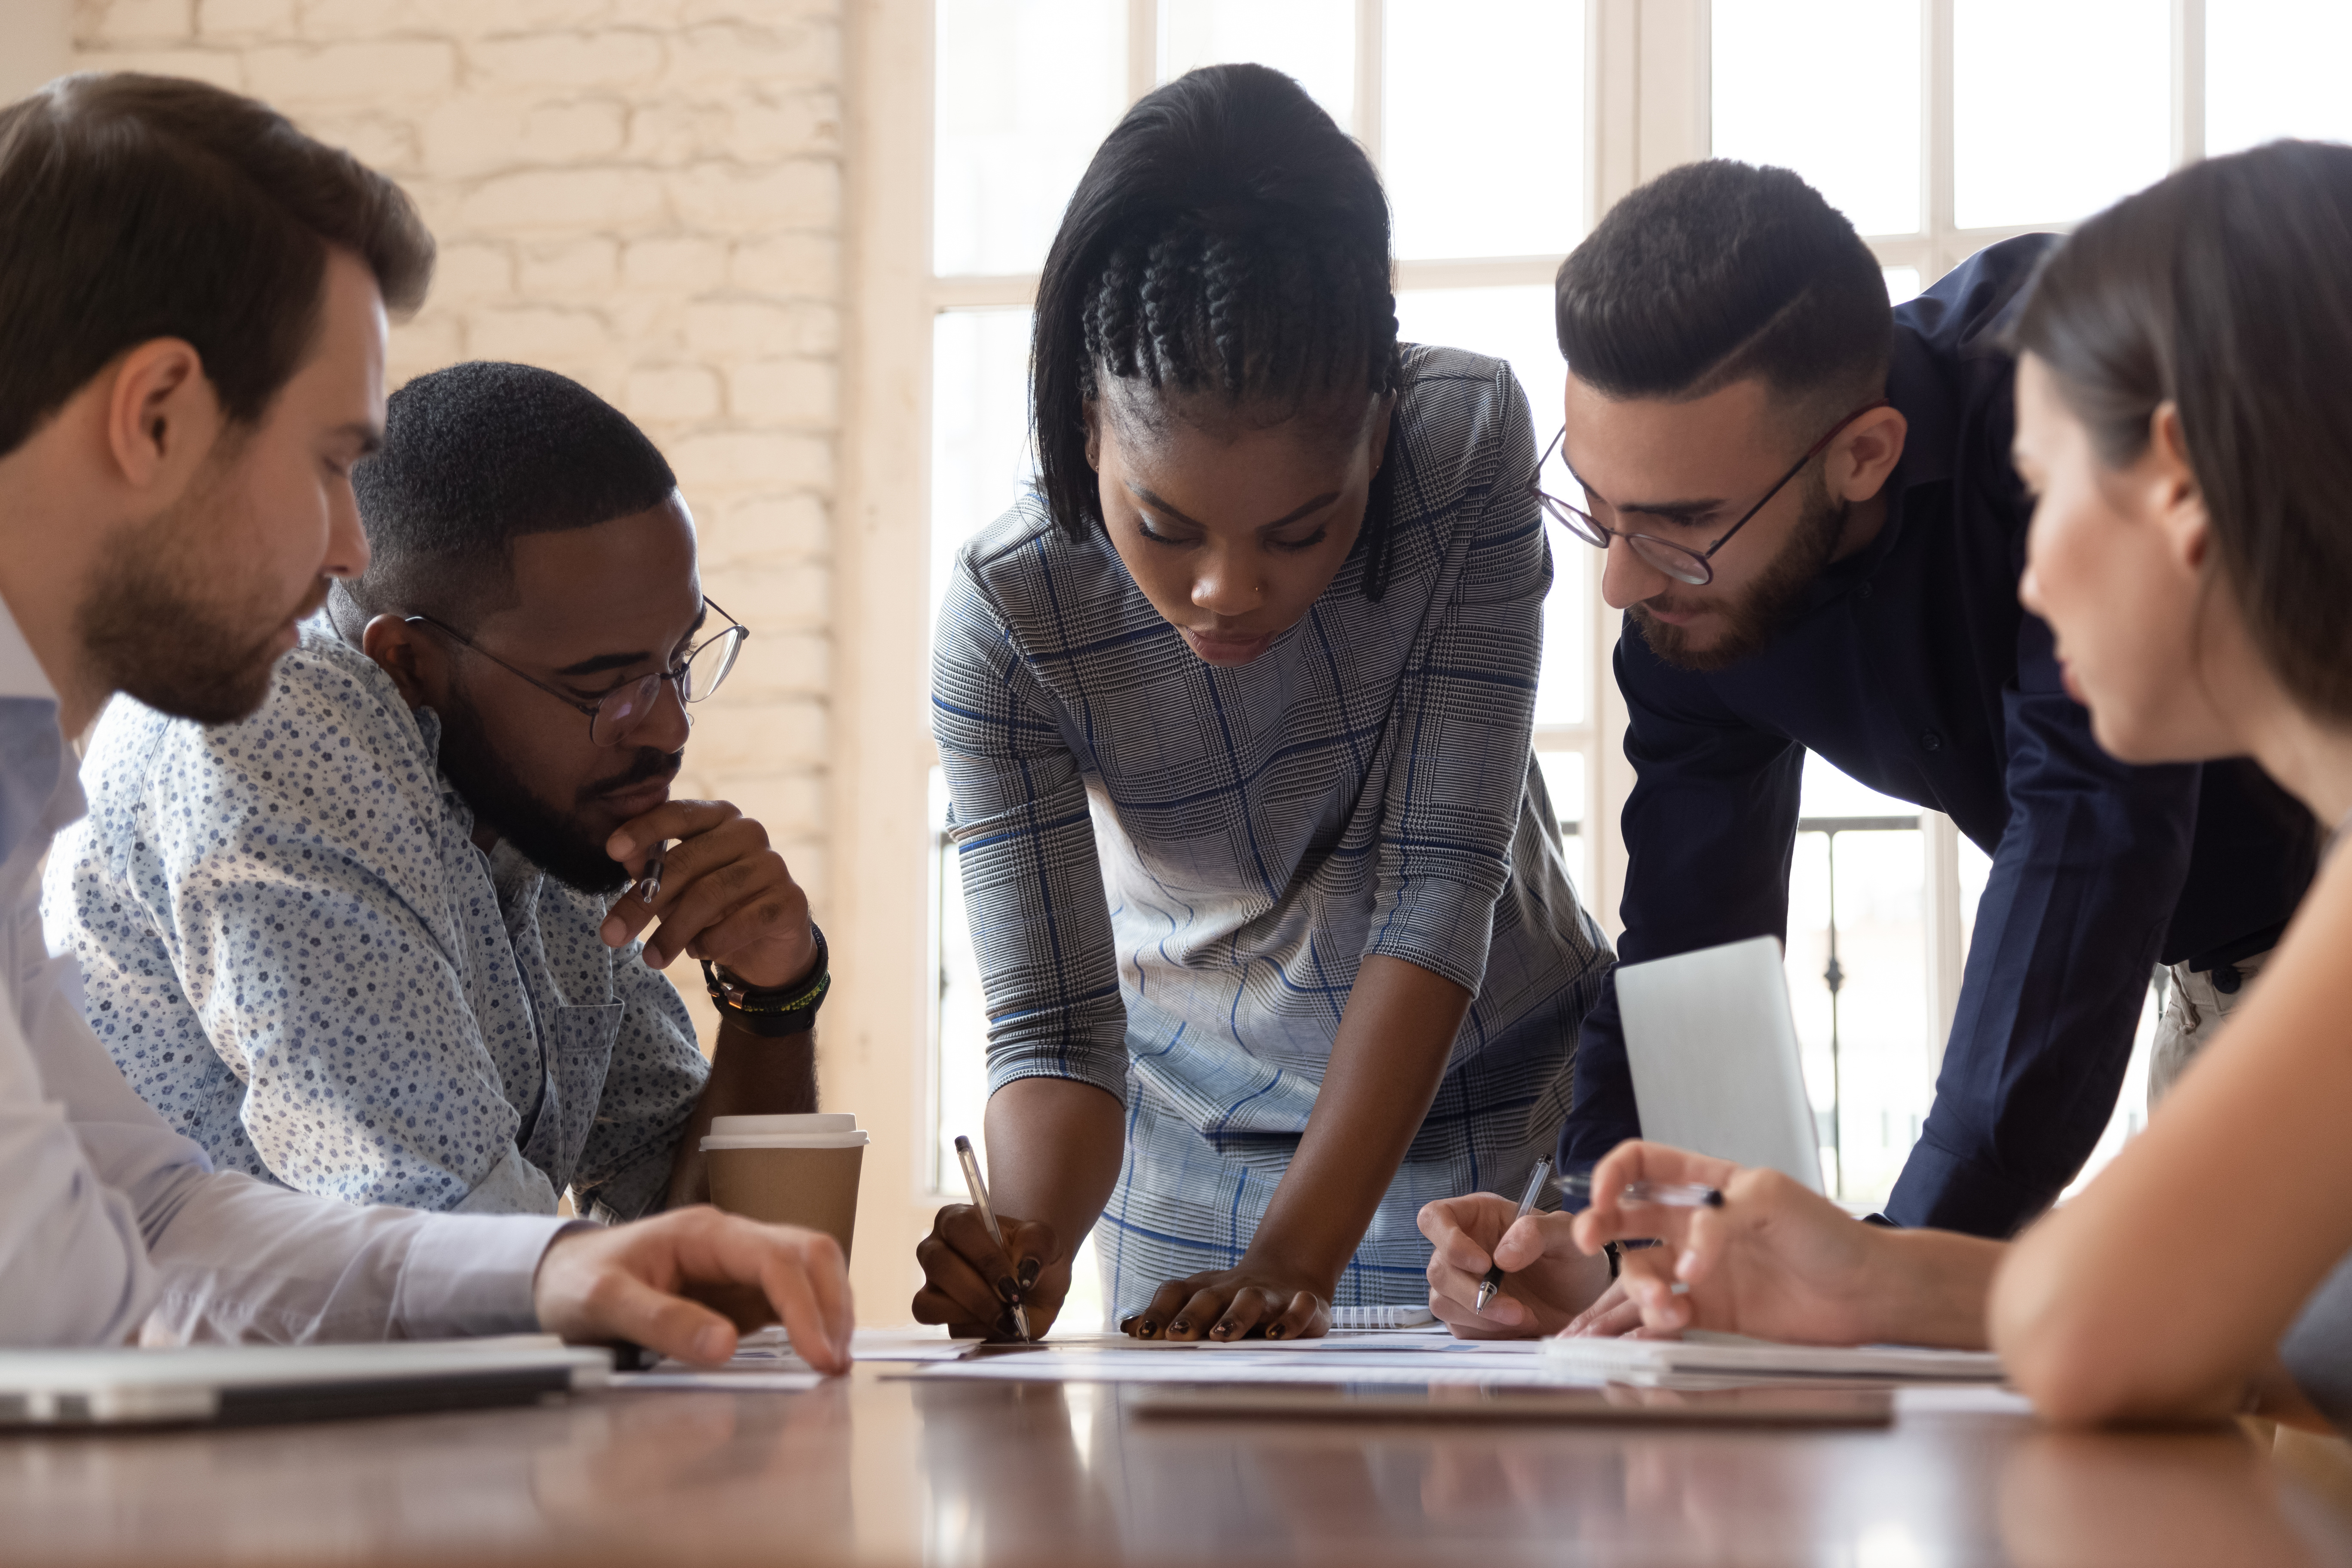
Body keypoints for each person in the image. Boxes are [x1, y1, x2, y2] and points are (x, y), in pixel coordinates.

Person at [1433, 140, 2352, 1432]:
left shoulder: (2051, 371)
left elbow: (2089, 845)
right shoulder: (1686, 593)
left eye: (2048, 496)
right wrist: (1623, 1233)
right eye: (1596, 509)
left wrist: (1885, 1273)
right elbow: (1691, 944)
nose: (1622, 584)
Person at [0, 70, 850, 1366]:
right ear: (157, 417)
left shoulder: (21, 786)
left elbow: (149, 1215)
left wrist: (559, 1266)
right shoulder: (283, 722)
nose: (353, 544)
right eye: (334, 462)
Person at [913, 63, 1611, 1342]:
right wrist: (1028, 1242)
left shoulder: (1463, 448)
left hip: (1507, 1125)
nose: (1228, 590)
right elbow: (1055, 1025)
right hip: (1192, 1166)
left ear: (1381, 426)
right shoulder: (1006, 616)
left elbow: (1437, 886)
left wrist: (1300, 1253)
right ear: (1085, 430)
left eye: (1306, 530)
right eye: (1165, 528)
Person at [45, 359, 827, 1222]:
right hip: (125, 1347)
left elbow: (725, 1267)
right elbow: (460, 1255)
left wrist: (775, 996)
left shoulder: (555, 806)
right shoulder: (272, 723)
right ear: (408, 664)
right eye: (606, 685)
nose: (671, 728)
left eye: (678, 659)